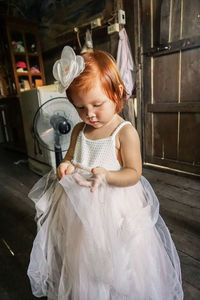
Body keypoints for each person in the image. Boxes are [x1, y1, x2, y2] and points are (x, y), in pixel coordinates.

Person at [27, 46, 183, 300]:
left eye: (97, 104)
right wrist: (65, 166)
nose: (89, 114)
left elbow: (133, 173)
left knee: (120, 260)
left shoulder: (123, 132)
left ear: (117, 93)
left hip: (115, 208)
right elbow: (70, 158)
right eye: (80, 108)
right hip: (80, 207)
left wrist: (108, 175)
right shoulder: (79, 130)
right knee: (84, 256)